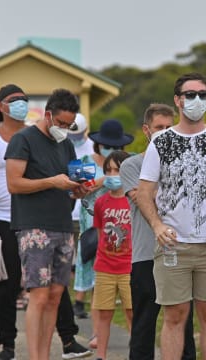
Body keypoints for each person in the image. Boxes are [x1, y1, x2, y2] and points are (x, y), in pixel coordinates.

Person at [0, 84, 91, 360]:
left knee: (56, 294)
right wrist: (53, 181)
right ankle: (16, 348)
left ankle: (50, 351)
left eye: (70, 124)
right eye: (61, 122)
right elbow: (13, 183)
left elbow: (69, 181)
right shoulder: (21, 139)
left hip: (62, 224)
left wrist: (79, 188)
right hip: (29, 224)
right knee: (31, 292)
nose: (65, 128)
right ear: (48, 115)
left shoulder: (64, 143)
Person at [137, 73, 206, 360]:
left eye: (202, 94)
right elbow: (144, 191)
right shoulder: (161, 142)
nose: (197, 100)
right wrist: (156, 225)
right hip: (172, 244)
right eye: (190, 95)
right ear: (177, 100)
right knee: (175, 315)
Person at [120, 103, 196, 360]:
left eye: (168, 127)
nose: (164, 133)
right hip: (145, 253)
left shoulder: (186, 161)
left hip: (183, 251)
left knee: (182, 319)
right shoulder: (132, 165)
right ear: (146, 130)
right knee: (144, 321)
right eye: (158, 128)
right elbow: (145, 200)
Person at [75, 118, 134, 348]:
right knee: (94, 284)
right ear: (98, 144)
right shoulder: (85, 162)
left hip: (122, 231)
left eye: (116, 146)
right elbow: (76, 192)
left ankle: (132, 336)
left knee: (124, 289)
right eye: (107, 145)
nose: (111, 149)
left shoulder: (127, 163)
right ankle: (97, 334)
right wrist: (103, 180)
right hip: (91, 227)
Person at [91, 150, 133, 360]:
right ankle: (101, 355)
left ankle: (137, 352)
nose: (112, 175)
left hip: (129, 267)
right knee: (104, 313)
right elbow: (100, 234)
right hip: (105, 267)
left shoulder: (134, 199)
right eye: (108, 171)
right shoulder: (101, 202)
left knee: (132, 312)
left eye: (117, 170)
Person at [67, 113, 94, 318]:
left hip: (88, 211)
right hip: (69, 212)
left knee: (89, 256)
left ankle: (87, 301)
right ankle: (74, 300)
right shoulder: (63, 146)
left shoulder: (93, 147)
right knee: (71, 259)